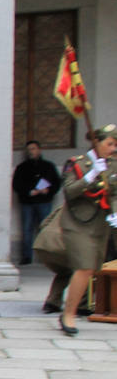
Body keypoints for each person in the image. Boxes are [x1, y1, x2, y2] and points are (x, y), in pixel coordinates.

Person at [53, 125, 117, 335]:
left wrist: (115, 211)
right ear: (97, 142)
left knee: (92, 267)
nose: (113, 148)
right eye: (109, 144)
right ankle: (68, 315)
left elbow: (114, 193)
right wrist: (91, 176)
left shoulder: (113, 164)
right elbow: (70, 191)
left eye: (115, 144)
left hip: (100, 223)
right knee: (85, 266)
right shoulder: (78, 163)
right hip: (78, 224)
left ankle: (75, 306)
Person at [11, 140, 60, 266]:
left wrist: (48, 191)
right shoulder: (22, 167)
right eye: (29, 150)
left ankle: (47, 257)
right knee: (27, 229)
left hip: (44, 201)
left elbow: (56, 182)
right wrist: (29, 192)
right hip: (28, 202)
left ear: (39, 149)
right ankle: (27, 256)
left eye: (33, 149)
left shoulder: (48, 166)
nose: (31, 152)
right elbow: (17, 185)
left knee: (45, 229)